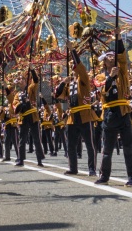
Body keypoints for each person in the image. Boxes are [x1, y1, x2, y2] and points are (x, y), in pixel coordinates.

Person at [93, 35, 132, 187]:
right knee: (107, 150)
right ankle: (104, 176)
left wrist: (118, 38)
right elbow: (101, 89)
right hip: (109, 113)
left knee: (129, 149)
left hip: (123, 112)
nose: (112, 57)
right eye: (109, 56)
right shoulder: (100, 76)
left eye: (113, 55)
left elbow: (123, 57)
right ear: (104, 61)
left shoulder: (122, 72)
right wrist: (110, 77)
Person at [54, 48, 98, 176]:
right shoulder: (70, 84)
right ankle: (73, 168)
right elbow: (58, 94)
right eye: (71, 67)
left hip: (85, 115)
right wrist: (63, 82)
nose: (73, 68)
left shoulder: (83, 80)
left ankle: (92, 169)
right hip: (72, 117)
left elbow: (80, 66)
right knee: (71, 144)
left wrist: (72, 50)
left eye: (74, 66)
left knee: (90, 144)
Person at [14, 66, 45, 167]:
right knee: (22, 139)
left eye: (22, 79)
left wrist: (32, 70)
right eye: (19, 80)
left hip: (32, 115)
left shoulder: (30, 88)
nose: (21, 81)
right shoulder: (17, 94)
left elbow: (36, 81)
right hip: (23, 117)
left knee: (36, 138)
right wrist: (21, 103)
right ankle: (20, 159)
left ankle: (39, 159)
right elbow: (15, 106)